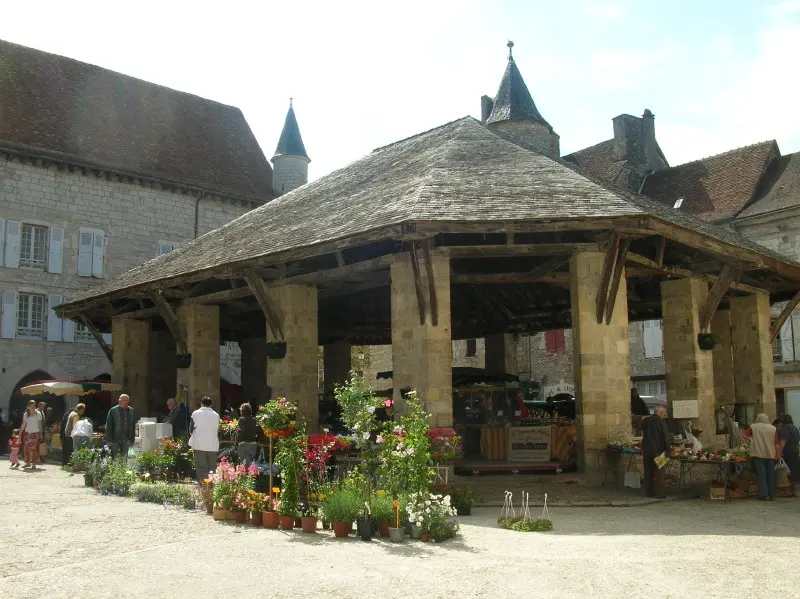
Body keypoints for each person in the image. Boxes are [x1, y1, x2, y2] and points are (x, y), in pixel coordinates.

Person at [748, 413, 780, 501]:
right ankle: (772, 494)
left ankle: (763, 495)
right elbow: (776, 443)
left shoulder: (753, 427)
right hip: (770, 454)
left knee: (761, 475)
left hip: (758, 454)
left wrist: (751, 441)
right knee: (771, 475)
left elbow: (745, 435)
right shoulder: (773, 428)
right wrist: (778, 454)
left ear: (758, 418)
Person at [641, 405, 670, 499]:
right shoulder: (661, 422)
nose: (664, 416)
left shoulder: (646, 421)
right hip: (659, 451)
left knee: (648, 472)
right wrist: (668, 451)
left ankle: (649, 492)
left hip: (647, 450)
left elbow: (640, 429)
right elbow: (665, 437)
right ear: (661, 413)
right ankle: (659, 493)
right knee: (659, 472)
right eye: (664, 414)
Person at [189, 396, 220, 482]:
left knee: (201, 469)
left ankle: (203, 490)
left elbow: (190, 429)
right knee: (212, 470)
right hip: (213, 445)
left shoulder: (195, 413)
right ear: (211, 404)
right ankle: (211, 489)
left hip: (199, 445)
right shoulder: (216, 415)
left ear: (201, 403)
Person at [105, 394, 136, 459]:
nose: (125, 402)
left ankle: (123, 469)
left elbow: (133, 425)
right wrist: (108, 439)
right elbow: (108, 425)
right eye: (123, 400)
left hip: (126, 439)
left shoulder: (131, 410)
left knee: (124, 458)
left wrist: (132, 439)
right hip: (115, 439)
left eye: (126, 400)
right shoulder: (113, 410)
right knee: (115, 458)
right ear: (119, 401)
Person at [778, 413, 800, 498]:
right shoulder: (795, 428)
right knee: (794, 472)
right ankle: (794, 491)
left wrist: (779, 452)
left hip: (787, 453)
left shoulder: (784, 428)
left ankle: (788, 492)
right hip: (795, 452)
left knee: (786, 472)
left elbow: (783, 441)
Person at [19, 400, 44, 469]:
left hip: (35, 433)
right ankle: (27, 463)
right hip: (27, 433)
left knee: (34, 449)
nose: (33, 408)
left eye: (34, 406)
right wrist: (20, 434)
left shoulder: (38, 413)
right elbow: (23, 424)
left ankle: (33, 464)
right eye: (31, 407)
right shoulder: (26, 414)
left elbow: (40, 425)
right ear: (28, 407)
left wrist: (41, 434)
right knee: (26, 448)